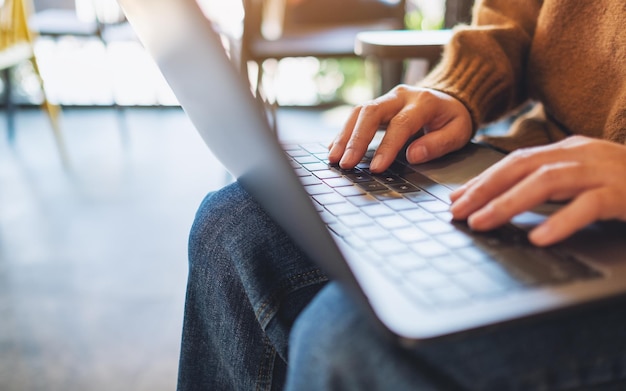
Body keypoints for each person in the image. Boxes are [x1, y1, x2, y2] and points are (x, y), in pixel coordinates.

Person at [177, 0, 626, 389]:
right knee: (234, 224)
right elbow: (510, 22)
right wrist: (455, 89)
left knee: (349, 340)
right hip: (532, 170)